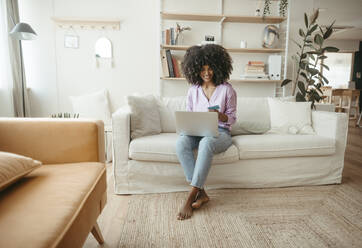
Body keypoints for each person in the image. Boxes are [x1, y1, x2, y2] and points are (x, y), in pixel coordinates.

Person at [176, 44, 237, 220]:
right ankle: (202, 193)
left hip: (221, 133)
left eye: (210, 68)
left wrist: (220, 116)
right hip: (197, 131)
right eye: (202, 68)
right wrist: (187, 127)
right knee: (181, 143)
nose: (207, 72)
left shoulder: (227, 90)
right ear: (195, 69)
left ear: (218, 67)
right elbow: (188, 115)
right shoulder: (193, 91)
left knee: (207, 142)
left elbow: (232, 119)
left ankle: (191, 196)